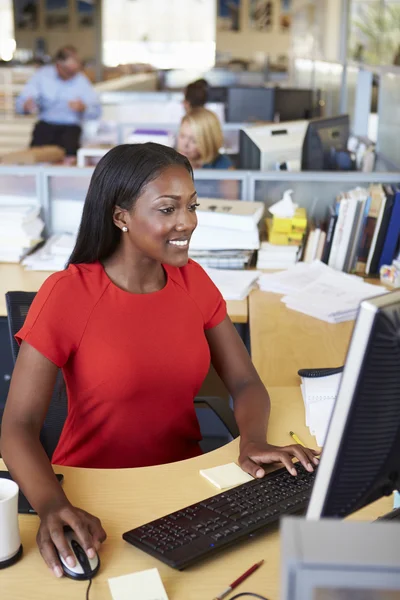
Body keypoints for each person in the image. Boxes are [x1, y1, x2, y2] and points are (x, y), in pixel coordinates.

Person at [1, 143, 318, 577]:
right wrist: (53, 505)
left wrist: (253, 440)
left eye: (192, 205)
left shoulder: (193, 281)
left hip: (183, 484)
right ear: (121, 217)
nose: (187, 222)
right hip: (93, 492)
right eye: (167, 209)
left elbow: (245, 383)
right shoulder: (68, 293)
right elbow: (17, 426)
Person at [15, 45, 100, 162]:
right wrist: (26, 106)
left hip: (70, 131)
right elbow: (21, 104)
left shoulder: (81, 81)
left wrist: (83, 108)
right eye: (67, 71)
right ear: (58, 65)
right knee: (34, 161)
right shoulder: (42, 76)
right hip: (45, 128)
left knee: (69, 165)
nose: (71, 75)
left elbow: (96, 111)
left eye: (74, 71)